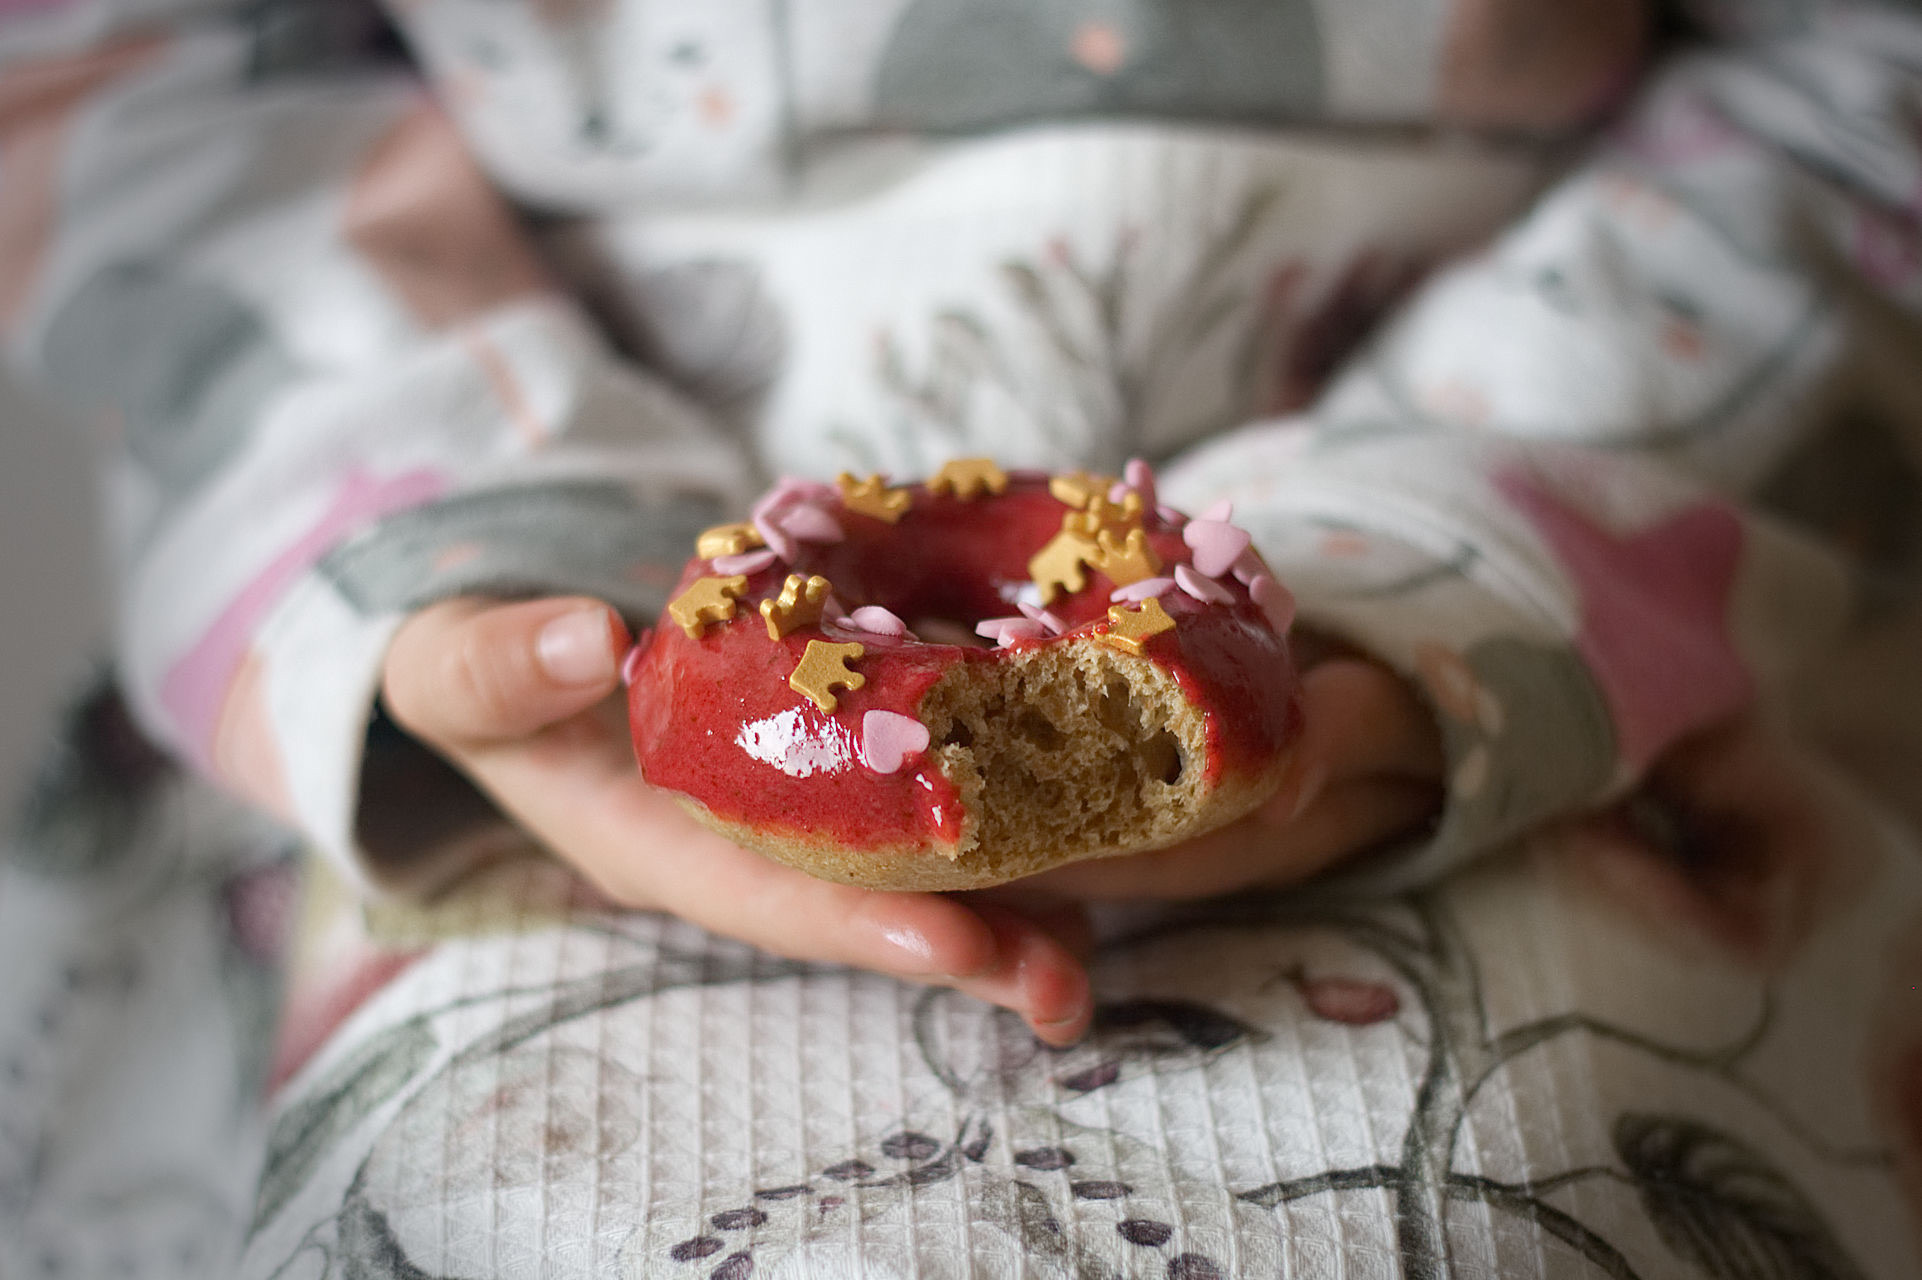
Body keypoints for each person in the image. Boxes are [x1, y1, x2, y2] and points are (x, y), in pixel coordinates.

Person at [3, 1, 1921, 1275]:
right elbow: (144, 108)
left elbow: (1863, 90)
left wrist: (1421, 582)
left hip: (1553, 546)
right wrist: (456, 584)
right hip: (479, 602)